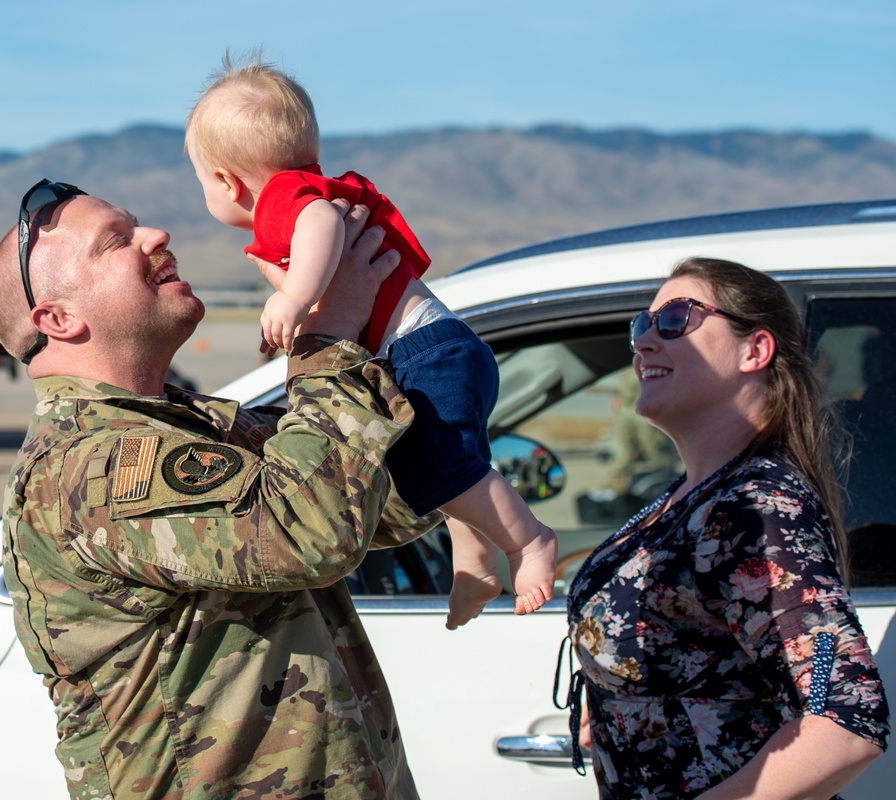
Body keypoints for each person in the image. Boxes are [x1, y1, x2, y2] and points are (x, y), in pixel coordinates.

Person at [0, 178, 444, 800]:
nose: (156, 236)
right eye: (116, 241)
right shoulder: (90, 467)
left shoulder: (194, 425)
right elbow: (309, 532)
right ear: (59, 319)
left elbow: (384, 501)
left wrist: (414, 336)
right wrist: (325, 335)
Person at [185, 52, 557, 630]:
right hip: (434, 350)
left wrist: (291, 296)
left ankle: (528, 542)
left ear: (227, 182)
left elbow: (321, 224)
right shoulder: (305, 188)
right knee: (441, 466)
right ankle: (474, 559)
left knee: (442, 469)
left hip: (422, 353)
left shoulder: (289, 198)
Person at [564, 257, 890, 799]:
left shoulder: (754, 507)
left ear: (755, 350)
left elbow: (844, 718)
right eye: (640, 326)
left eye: (675, 320)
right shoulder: (695, 497)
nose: (644, 342)